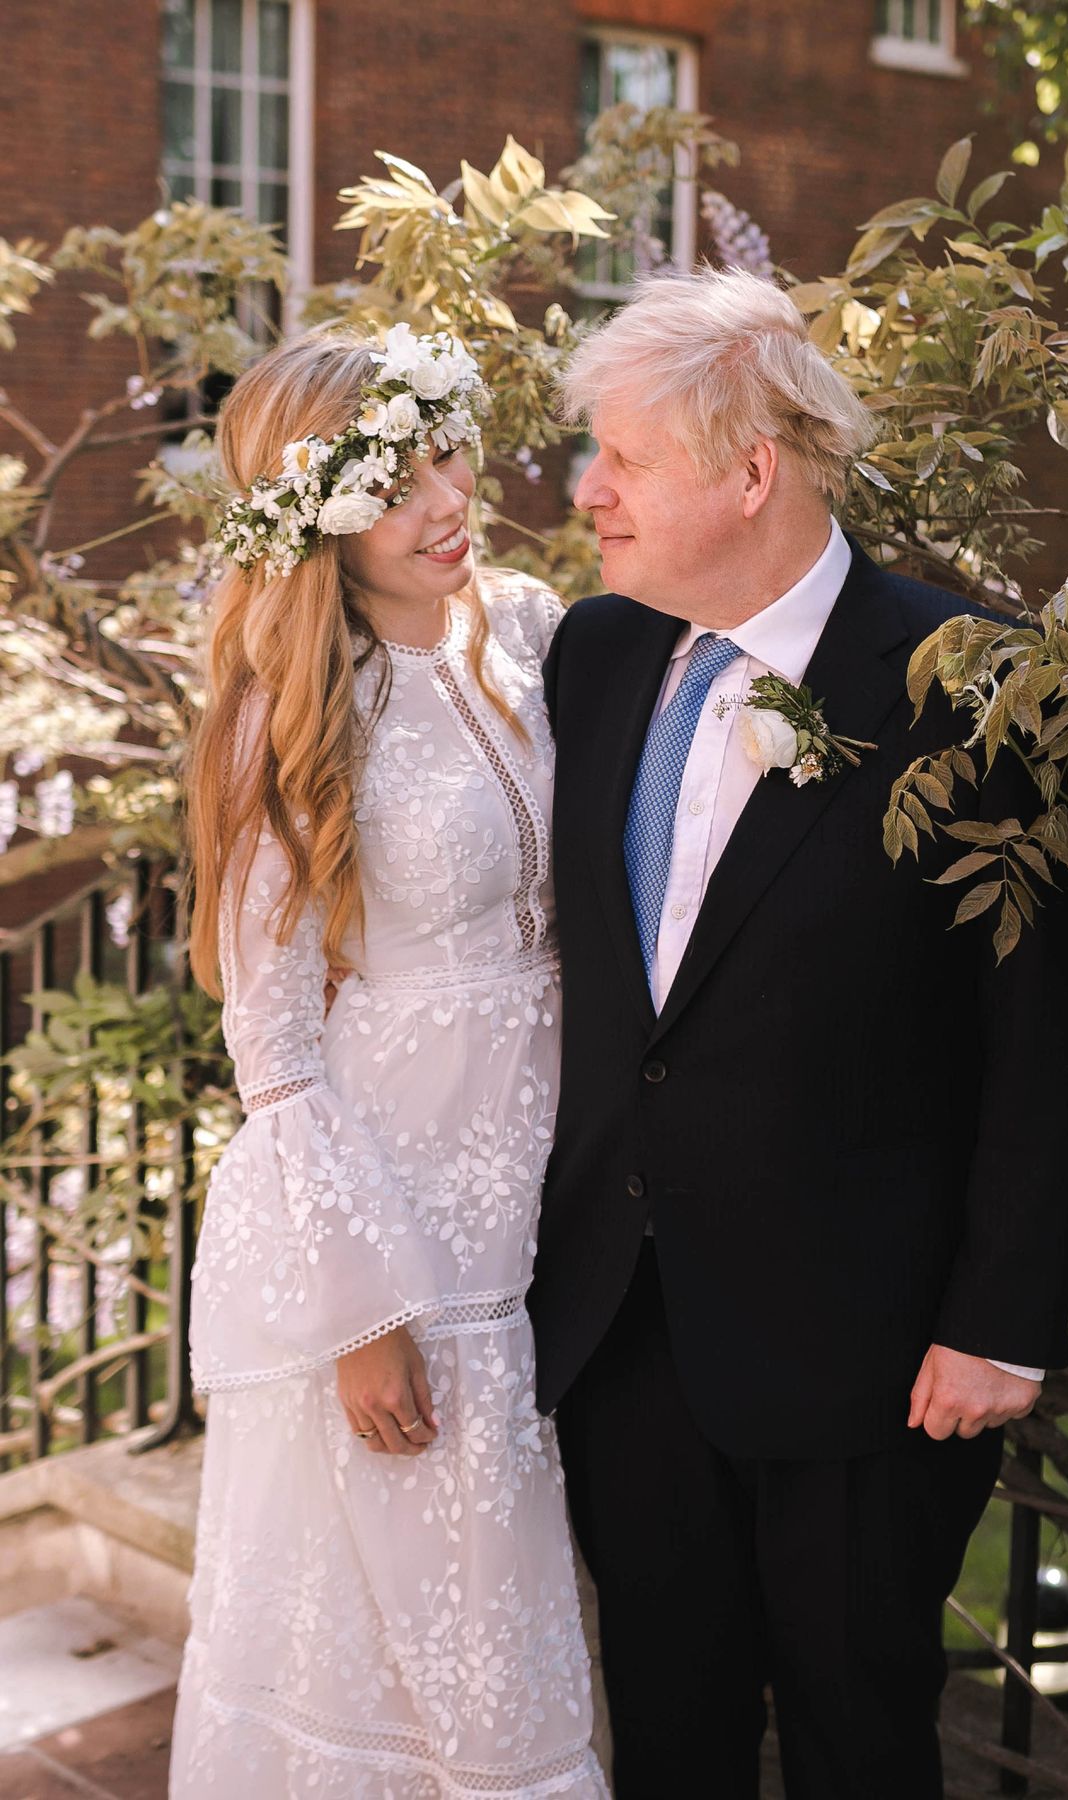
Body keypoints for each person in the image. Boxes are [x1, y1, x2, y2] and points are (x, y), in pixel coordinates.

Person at [526, 267, 1068, 1799]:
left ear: (749, 471)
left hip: (874, 1361)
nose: (588, 497)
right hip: (622, 1332)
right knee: (670, 1733)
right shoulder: (597, 653)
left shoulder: (978, 688)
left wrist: (1001, 1319)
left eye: (622, 462)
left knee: (858, 1742)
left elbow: (1044, 1036)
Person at [170, 324, 607, 1799]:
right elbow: (276, 1045)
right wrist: (362, 1312)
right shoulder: (291, 715)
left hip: (564, 1178)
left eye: (447, 447)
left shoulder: (534, 628)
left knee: (532, 1603)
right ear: (313, 515)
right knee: (429, 1629)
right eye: (392, 477)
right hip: (402, 1223)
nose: (445, 495)